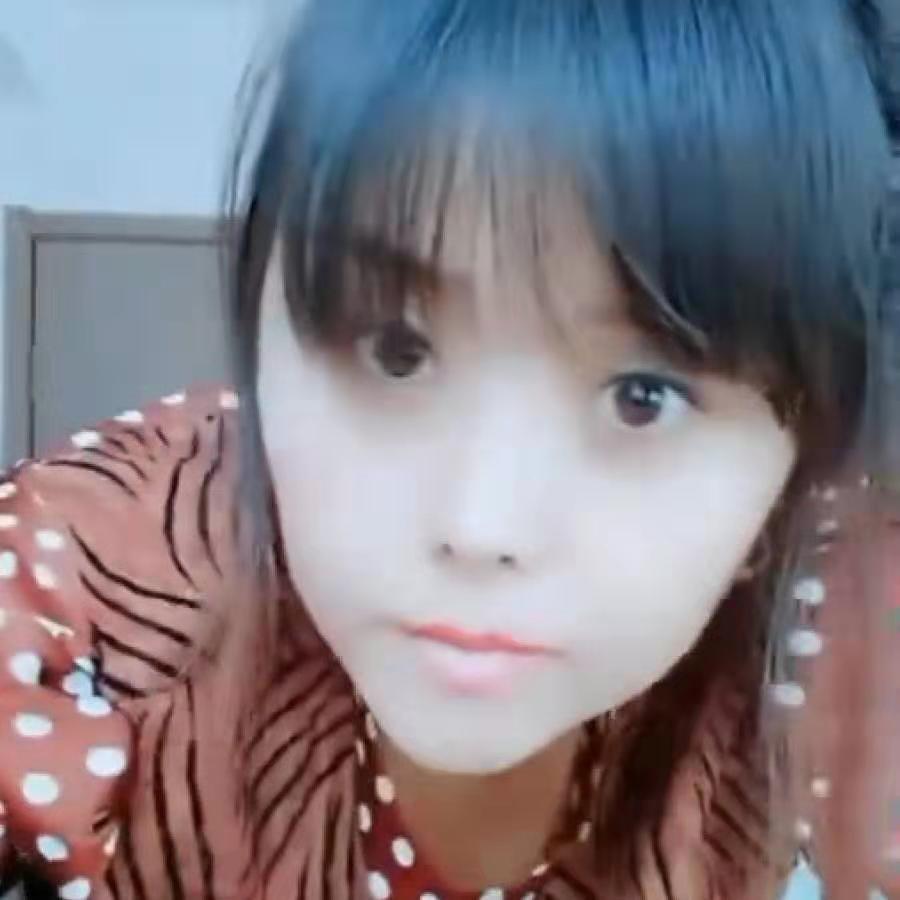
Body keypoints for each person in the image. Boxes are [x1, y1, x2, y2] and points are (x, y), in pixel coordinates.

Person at [0, 1, 897, 898]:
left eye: (641, 397)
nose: (480, 524)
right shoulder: (95, 582)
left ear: (800, 451)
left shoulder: (854, 660)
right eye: (396, 350)